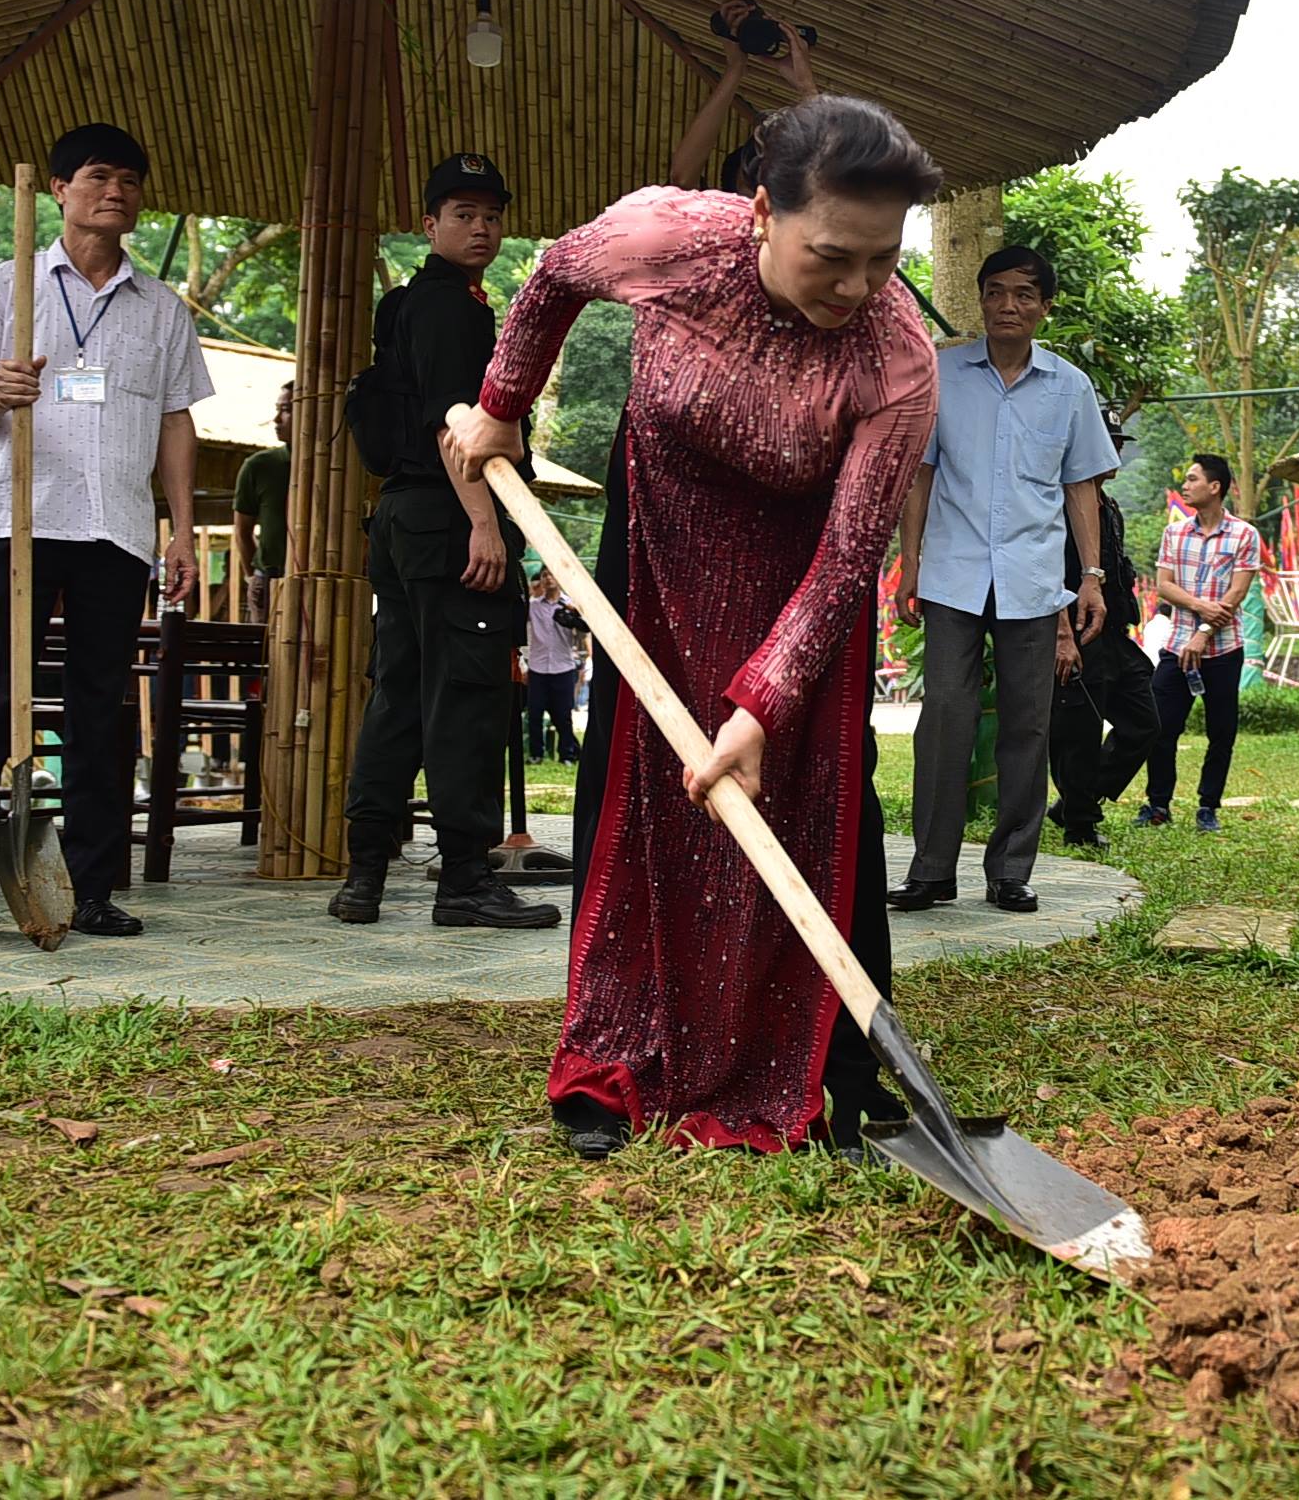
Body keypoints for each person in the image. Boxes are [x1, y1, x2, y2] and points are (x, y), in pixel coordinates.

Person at [447, 93, 941, 1159]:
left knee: (812, 794)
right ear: (760, 211)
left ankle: (834, 1067)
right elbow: (551, 281)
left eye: (882, 259)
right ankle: (614, 1054)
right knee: (635, 785)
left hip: (796, 567)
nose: (857, 286)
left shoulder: (897, 359)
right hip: (661, 532)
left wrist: (763, 701)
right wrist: (501, 401)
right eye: (830, 256)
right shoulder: (667, 236)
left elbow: (850, 557)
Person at [0, 123, 210, 949]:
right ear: (57, 189)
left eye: (129, 178)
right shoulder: (3, 285)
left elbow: (175, 421)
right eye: (96, 176)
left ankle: (90, 889)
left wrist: (180, 530)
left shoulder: (160, 309)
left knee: (99, 712)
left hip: (115, 530)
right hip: (10, 525)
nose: (114, 191)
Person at [326, 154, 556, 932]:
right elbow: (454, 422)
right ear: (429, 224)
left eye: (492, 215)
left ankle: (363, 876)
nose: (481, 227)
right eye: (463, 214)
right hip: (447, 514)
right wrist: (485, 524)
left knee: (397, 691)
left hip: (399, 518)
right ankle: (464, 880)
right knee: (464, 699)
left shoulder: (405, 304)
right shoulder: (453, 310)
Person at [892, 244, 1117, 915]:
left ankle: (1010, 869)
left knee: (1028, 725)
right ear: (982, 301)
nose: (1008, 306)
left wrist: (1094, 577)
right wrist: (910, 560)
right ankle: (931, 869)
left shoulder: (1069, 386)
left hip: (1032, 576)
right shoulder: (943, 372)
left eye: (1023, 294)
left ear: (1045, 307)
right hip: (954, 574)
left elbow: (1081, 488)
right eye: (995, 292)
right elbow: (920, 474)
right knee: (945, 718)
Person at [1048, 418, 1157, 853]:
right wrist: (1061, 635)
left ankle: (1079, 798)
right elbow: (1049, 570)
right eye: (1107, 443)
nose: (1112, 452)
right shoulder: (1059, 503)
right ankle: (1080, 822)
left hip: (1113, 633)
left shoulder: (1108, 506)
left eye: (1116, 443)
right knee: (1079, 732)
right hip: (1074, 633)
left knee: (1144, 723)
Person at [1140, 453, 1262, 833]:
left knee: (1221, 732)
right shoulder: (1174, 533)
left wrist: (1204, 632)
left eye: (1193, 479)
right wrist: (1198, 610)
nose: (1186, 485)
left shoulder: (1244, 535)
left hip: (1224, 649)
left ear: (1215, 487)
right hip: (1177, 648)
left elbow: (1237, 592)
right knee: (1160, 728)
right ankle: (1158, 805)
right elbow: (1164, 585)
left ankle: (1208, 806)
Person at [670, 0, 819, 196]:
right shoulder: (720, 220)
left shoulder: (800, 220)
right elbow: (681, 181)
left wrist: (807, 87)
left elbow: (841, 182)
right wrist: (735, 68)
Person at [232, 381, 291, 624]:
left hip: (324, 584)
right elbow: (242, 531)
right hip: (268, 580)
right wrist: (253, 578)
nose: (276, 419)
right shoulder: (260, 466)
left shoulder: (343, 470)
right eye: (277, 409)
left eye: (286, 409)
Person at [524, 567, 586, 765]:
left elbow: (585, 630)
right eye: (544, 575)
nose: (548, 579)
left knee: (564, 714)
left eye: (552, 574)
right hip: (538, 666)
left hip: (563, 666)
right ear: (541, 581)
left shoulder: (570, 605)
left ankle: (567, 754)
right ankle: (536, 754)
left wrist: (576, 615)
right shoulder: (533, 607)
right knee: (534, 713)